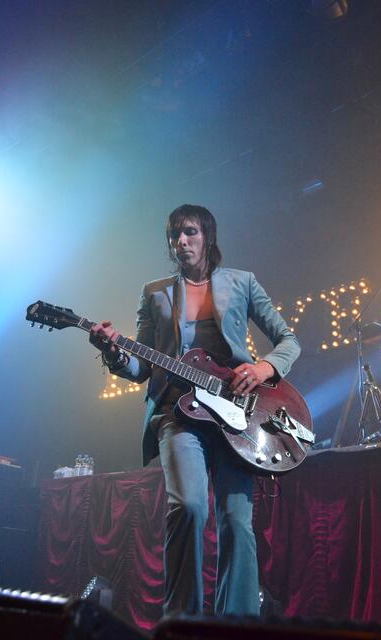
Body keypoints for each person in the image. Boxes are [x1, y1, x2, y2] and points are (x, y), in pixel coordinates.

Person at [89, 204, 300, 617]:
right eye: (174, 235)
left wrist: (263, 368)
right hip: (177, 412)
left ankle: (237, 624)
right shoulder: (155, 292)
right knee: (188, 506)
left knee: (237, 522)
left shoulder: (242, 281)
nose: (181, 241)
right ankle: (181, 622)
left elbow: (289, 340)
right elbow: (142, 367)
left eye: (189, 232)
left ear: (208, 236)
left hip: (237, 415)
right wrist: (114, 353)